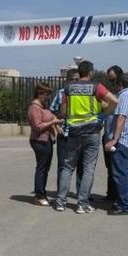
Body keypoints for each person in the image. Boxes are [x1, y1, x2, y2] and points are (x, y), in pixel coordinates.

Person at [54, 60, 117, 214]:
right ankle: (82, 203)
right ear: (90, 72)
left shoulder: (68, 88)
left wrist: (70, 117)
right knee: (88, 167)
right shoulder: (96, 86)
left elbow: (63, 112)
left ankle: (60, 202)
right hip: (91, 130)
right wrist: (104, 114)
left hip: (74, 131)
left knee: (68, 166)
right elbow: (114, 100)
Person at [103, 70, 128, 215]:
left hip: (122, 141)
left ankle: (124, 205)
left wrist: (114, 139)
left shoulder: (125, 96)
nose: (113, 85)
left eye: (114, 82)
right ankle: (124, 200)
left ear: (119, 83)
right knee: (125, 173)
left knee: (120, 174)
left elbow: (122, 117)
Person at [49, 68, 83, 196]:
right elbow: (51, 112)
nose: (75, 82)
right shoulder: (61, 93)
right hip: (64, 136)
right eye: (72, 79)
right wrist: (57, 128)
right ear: (67, 80)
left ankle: (82, 193)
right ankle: (61, 193)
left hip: (79, 134)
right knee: (62, 166)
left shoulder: (84, 94)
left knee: (81, 166)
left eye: (77, 79)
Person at [27, 83, 61, 206]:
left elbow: (51, 117)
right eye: (47, 94)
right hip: (39, 140)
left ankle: (42, 194)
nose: (48, 97)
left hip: (47, 140)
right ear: (40, 93)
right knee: (41, 168)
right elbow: (37, 126)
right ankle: (39, 196)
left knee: (45, 168)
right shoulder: (34, 107)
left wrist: (56, 125)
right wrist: (53, 122)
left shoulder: (43, 106)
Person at [102, 65, 124, 206]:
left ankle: (119, 196)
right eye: (109, 79)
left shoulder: (123, 92)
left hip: (116, 135)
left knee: (118, 168)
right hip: (107, 133)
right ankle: (111, 193)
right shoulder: (109, 91)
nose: (111, 81)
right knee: (110, 167)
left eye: (113, 78)